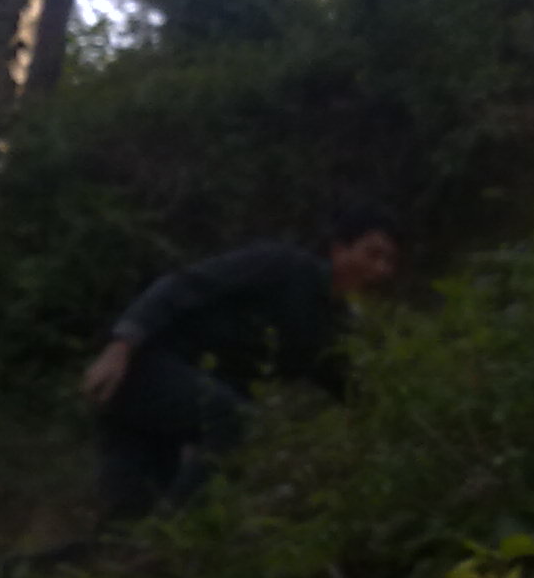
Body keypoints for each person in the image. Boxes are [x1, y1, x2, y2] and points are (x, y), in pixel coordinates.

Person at [80, 208, 403, 523]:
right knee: (237, 419)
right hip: (142, 369)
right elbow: (183, 284)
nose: (380, 270)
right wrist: (120, 346)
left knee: (125, 526)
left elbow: (351, 388)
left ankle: (148, 538)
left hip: (180, 410)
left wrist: (401, 425)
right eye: (372, 254)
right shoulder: (281, 266)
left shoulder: (332, 328)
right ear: (339, 249)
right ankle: (171, 535)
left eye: (389, 261)